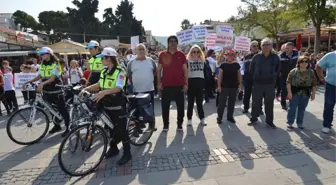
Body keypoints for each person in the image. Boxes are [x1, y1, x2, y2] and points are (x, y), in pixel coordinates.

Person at [82, 47, 132, 165]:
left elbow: (118, 88)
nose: (101, 60)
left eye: (103, 58)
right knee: (110, 128)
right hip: (106, 105)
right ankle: (114, 148)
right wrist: (86, 88)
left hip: (118, 105)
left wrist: (103, 92)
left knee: (121, 130)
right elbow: (100, 84)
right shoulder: (104, 71)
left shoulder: (120, 71)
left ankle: (127, 153)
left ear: (109, 59)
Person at [25, 47, 70, 137]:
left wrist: (42, 84)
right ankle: (57, 126)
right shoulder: (42, 65)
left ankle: (68, 127)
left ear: (49, 54)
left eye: (43, 54)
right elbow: (40, 76)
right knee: (50, 108)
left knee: (62, 109)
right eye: (40, 54)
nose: (41, 56)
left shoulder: (56, 64)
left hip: (56, 88)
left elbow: (53, 78)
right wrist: (29, 81)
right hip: (46, 89)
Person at [157, 35, 188, 132]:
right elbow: (158, 70)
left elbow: (185, 70)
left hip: (179, 84)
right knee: (165, 106)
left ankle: (180, 124)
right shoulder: (162, 54)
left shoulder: (181, 54)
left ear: (177, 43)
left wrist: (186, 83)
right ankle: (166, 125)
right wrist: (159, 83)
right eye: (171, 41)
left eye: (175, 41)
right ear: (168, 43)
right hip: (166, 85)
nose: (173, 43)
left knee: (181, 106)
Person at [249, 38, 280, 128]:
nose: (266, 46)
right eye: (264, 45)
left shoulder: (275, 57)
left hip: (270, 84)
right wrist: (255, 78)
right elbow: (251, 69)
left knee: (269, 103)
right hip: (258, 84)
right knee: (255, 102)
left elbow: (278, 69)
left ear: (271, 46)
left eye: (267, 44)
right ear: (261, 47)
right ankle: (254, 118)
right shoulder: (256, 57)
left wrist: (273, 76)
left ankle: (269, 121)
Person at [127, 43, 157, 130]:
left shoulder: (151, 61)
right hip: (137, 90)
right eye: (139, 49)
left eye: (143, 49)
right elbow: (129, 75)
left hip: (149, 89)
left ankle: (151, 125)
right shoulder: (131, 63)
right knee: (137, 110)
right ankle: (139, 126)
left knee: (150, 109)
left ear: (146, 51)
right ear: (135, 51)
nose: (141, 51)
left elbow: (155, 73)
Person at [286, 56, 316, 129]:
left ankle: (300, 123)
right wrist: (289, 92)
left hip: (306, 93)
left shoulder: (311, 72)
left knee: (302, 109)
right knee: (292, 108)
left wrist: (313, 93)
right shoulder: (293, 71)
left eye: (306, 62)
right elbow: (288, 82)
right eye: (302, 62)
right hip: (295, 92)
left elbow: (313, 83)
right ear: (298, 63)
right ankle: (290, 122)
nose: (304, 63)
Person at [217, 49, 242, 124]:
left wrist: (240, 85)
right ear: (226, 56)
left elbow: (239, 75)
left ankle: (230, 117)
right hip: (224, 87)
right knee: (222, 103)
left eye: (232, 55)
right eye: (229, 55)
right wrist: (219, 86)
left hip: (234, 87)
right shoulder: (223, 65)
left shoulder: (236, 65)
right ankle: (219, 117)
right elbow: (220, 76)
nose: (230, 56)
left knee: (232, 103)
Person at [316, 49, 336, 134]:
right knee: (329, 105)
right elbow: (318, 66)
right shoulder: (330, 55)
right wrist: (321, 77)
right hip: (331, 85)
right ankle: (327, 125)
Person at [186, 45, 207, 126]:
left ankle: (202, 118)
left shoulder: (202, 60)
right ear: (191, 52)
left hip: (200, 81)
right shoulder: (188, 61)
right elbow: (186, 73)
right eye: (194, 51)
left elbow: (205, 72)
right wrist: (186, 83)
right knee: (190, 102)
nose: (196, 53)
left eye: (197, 51)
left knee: (199, 102)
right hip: (191, 81)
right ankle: (189, 119)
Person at [279, 42, 299, 110]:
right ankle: (283, 103)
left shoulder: (297, 54)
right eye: (285, 48)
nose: (286, 49)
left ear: (292, 48)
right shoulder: (281, 55)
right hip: (284, 75)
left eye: (288, 48)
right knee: (284, 90)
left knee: (293, 89)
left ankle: (292, 103)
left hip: (293, 75)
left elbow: (300, 62)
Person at [242, 41, 259, 113]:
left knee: (258, 95)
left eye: (256, 46)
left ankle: (259, 108)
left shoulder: (261, 55)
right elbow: (243, 68)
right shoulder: (246, 56)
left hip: (258, 78)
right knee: (247, 94)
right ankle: (246, 107)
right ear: (250, 47)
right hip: (248, 78)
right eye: (254, 46)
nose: (255, 47)